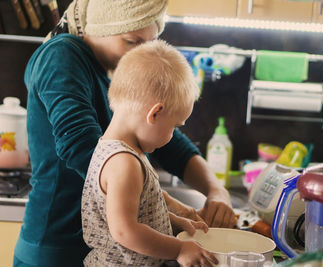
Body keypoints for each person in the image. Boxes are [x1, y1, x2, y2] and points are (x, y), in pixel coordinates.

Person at [14, 0, 235, 266]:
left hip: (101, 250)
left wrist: (216, 190)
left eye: (150, 42)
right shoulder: (61, 56)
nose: (142, 53)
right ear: (101, 26)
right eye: (132, 41)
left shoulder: (111, 69)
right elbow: (80, 145)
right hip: (58, 247)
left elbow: (166, 133)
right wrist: (157, 202)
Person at [82, 39, 218, 267]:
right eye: (175, 126)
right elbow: (125, 231)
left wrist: (170, 222)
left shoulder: (116, 149)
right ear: (155, 114)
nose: (173, 135)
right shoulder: (123, 162)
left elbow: (136, 215)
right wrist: (179, 248)